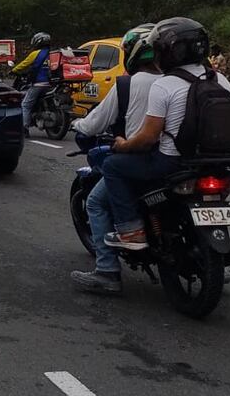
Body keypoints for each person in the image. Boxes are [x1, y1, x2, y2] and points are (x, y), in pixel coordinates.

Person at [102, 17, 230, 250]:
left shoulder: (165, 85)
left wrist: (122, 145)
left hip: (173, 162)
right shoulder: (220, 79)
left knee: (112, 166)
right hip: (217, 161)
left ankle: (130, 230)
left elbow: (148, 138)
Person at [68, 24, 161, 294]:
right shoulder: (181, 80)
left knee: (96, 202)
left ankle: (107, 271)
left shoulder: (127, 84)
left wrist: (79, 125)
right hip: (185, 161)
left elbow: (95, 123)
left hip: (141, 159)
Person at [13, 32, 53, 133]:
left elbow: (24, 64)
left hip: (39, 83)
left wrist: (13, 70)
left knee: (25, 105)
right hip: (52, 84)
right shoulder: (53, 53)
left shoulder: (36, 54)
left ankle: (24, 128)